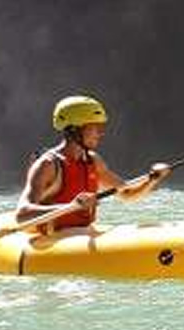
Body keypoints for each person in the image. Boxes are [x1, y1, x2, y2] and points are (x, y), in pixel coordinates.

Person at [16, 94, 171, 232]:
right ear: (74, 130)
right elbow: (22, 215)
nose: (101, 133)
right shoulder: (48, 165)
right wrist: (71, 206)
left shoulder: (93, 160)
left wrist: (153, 179)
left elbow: (127, 193)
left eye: (101, 127)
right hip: (54, 239)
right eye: (95, 127)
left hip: (82, 233)